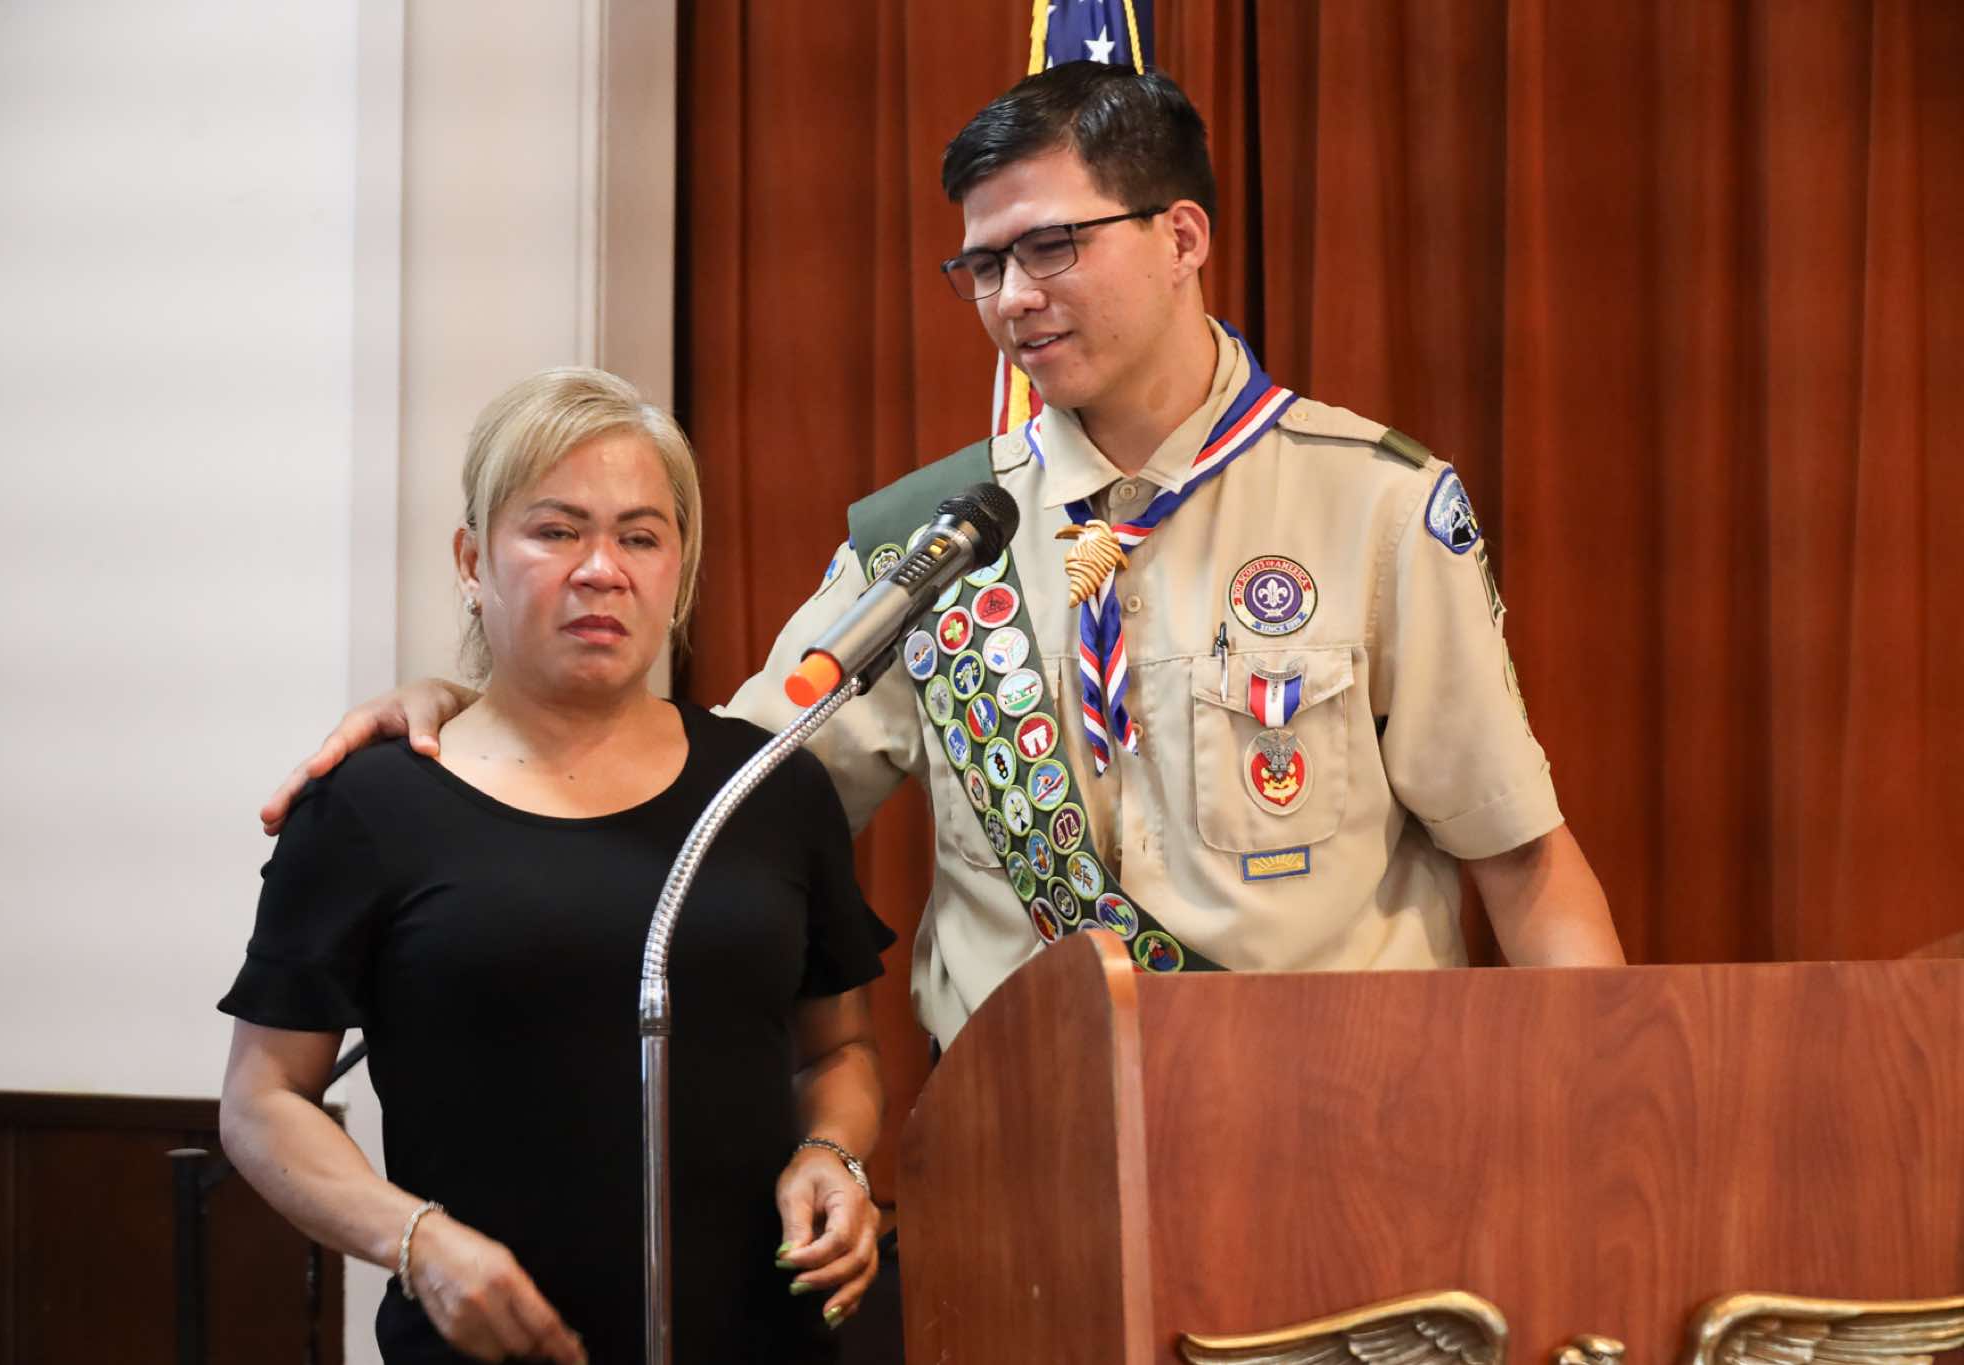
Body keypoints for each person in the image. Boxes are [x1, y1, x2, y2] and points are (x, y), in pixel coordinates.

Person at [260, 64, 1622, 1056]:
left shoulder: (1376, 506)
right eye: (981, 266)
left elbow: (1523, 865)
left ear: (1182, 237)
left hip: (1336, 1134)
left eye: (1051, 248)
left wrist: (1586, 1115)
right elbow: (721, 792)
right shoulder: (933, 534)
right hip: (1032, 1157)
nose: (1013, 299)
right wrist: (475, 714)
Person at [221, 368, 889, 1364]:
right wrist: (418, 1242)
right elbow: (262, 1100)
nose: (601, 570)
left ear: (679, 569)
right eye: (556, 531)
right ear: (472, 560)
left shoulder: (768, 788)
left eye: (640, 537)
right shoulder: (369, 804)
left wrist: (832, 1152)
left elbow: (838, 1052)